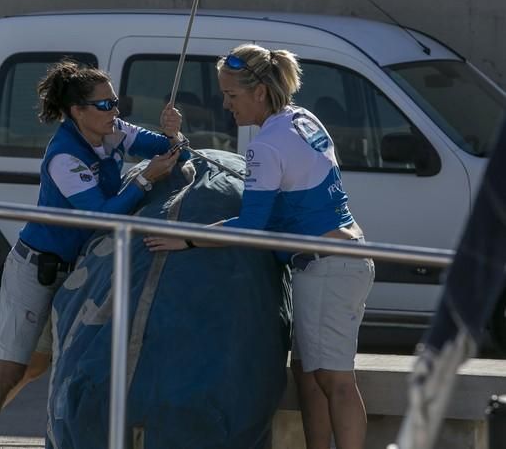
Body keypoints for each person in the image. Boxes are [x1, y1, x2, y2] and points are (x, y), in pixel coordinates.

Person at [0, 59, 185, 449]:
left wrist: (175, 134)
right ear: (77, 111)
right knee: (5, 372)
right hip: (35, 268)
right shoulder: (64, 157)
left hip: (75, 271)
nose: (115, 112)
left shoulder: (112, 131)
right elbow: (102, 216)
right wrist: (143, 179)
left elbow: (169, 152)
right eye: (104, 105)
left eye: (116, 102)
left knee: (36, 366)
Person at [145, 44, 375, 449]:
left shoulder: (266, 145)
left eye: (231, 95)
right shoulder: (301, 118)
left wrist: (188, 238)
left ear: (260, 94)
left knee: (334, 380)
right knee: (307, 376)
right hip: (335, 260)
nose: (225, 104)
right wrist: (178, 139)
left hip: (329, 265)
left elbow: (251, 226)